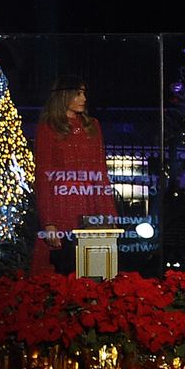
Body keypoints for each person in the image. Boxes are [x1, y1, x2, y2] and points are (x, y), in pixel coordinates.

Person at [32, 77, 117, 270]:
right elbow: (43, 178)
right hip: (61, 205)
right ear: (64, 96)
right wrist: (48, 222)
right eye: (78, 93)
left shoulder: (92, 125)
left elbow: (101, 173)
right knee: (64, 267)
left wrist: (109, 215)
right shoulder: (48, 128)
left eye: (84, 93)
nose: (84, 98)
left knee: (93, 269)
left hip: (90, 204)